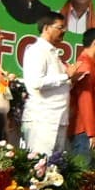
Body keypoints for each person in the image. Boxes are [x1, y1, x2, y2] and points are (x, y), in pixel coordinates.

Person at [18, 17, 71, 157]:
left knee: (55, 171)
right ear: (46, 28)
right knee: (39, 168)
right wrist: (66, 76)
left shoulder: (53, 53)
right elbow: (36, 82)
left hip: (58, 118)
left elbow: (61, 85)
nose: (64, 31)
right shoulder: (37, 50)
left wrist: (72, 78)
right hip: (42, 119)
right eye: (60, 27)